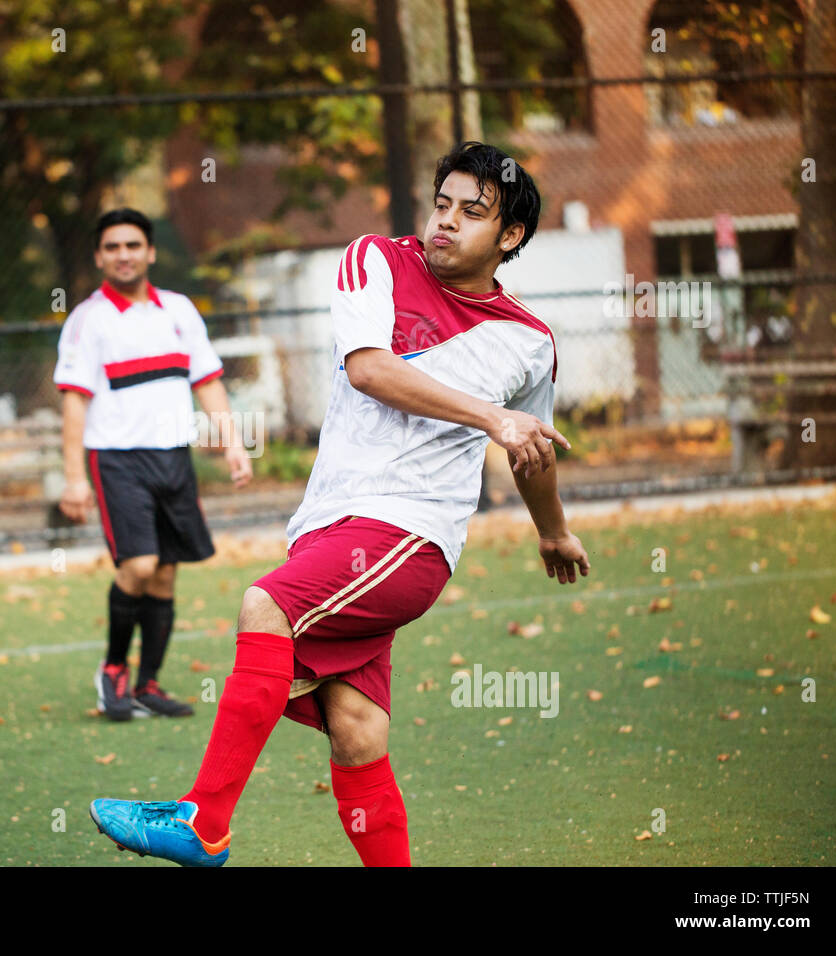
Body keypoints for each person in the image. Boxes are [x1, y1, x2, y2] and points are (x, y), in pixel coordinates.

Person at [89, 143, 591, 866]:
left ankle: (203, 824)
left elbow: (531, 447)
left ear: (509, 237)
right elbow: (370, 370)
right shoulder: (375, 260)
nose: (445, 223)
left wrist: (554, 530)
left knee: (266, 607)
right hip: (332, 528)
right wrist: (492, 417)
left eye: (471, 213)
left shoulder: (530, 342)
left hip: (410, 535)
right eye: (441, 203)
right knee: (357, 729)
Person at [55, 208, 253, 721]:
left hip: (173, 458)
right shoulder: (87, 320)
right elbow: (74, 402)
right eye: (113, 247)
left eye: (133, 245)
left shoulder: (181, 311)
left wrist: (231, 443)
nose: (124, 255)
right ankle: (114, 670)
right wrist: (75, 478)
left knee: (165, 575)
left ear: (150, 252)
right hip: (117, 461)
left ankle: (148, 685)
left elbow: (207, 381)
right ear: (100, 256)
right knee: (138, 566)